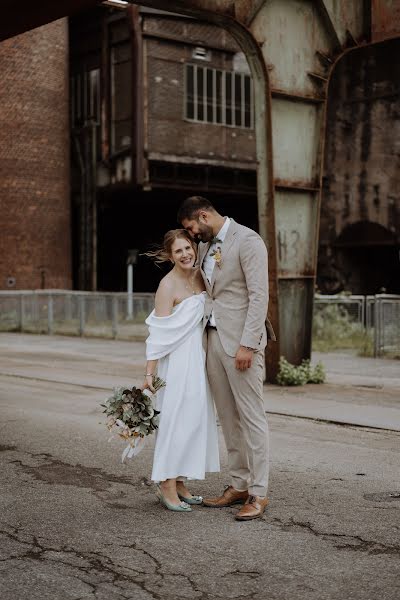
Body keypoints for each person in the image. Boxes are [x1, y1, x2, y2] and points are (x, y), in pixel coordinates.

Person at [178, 196, 276, 521]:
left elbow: (259, 294)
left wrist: (249, 343)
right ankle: (239, 484)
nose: (192, 235)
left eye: (192, 227)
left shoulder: (248, 240)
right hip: (212, 340)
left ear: (204, 216)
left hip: (242, 344)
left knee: (252, 418)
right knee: (228, 418)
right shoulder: (206, 247)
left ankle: (259, 493)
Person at [142, 229, 220, 512]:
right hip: (174, 363)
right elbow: (158, 334)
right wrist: (149, 374)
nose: (185, 254)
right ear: (169, 255)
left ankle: (181, 481)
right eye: (178, 251)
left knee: (195, 420)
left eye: (188, 247)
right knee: (175, 423)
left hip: (197, 359)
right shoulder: (167, 285)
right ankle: (166, 483)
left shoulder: (201, 275)